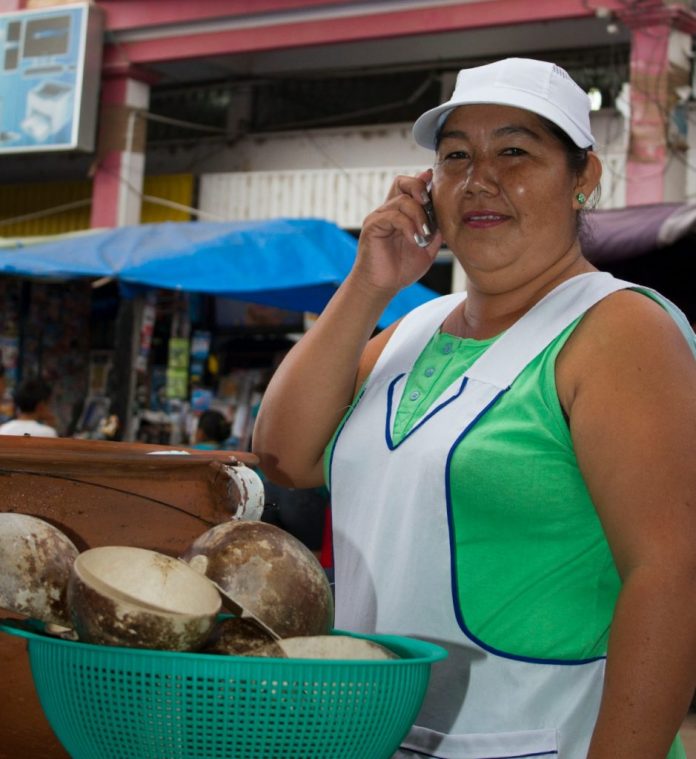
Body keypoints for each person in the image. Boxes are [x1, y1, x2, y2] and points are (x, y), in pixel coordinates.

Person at [252, 57, 696, 758]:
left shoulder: (617, 329)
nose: (480, 178)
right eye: (456, 156)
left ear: (583, 178)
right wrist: (370, 284)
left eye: (514, 152)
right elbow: (284, 454)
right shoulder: (414, 330)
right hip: (375, 733)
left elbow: (671, 574)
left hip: (549, 738)